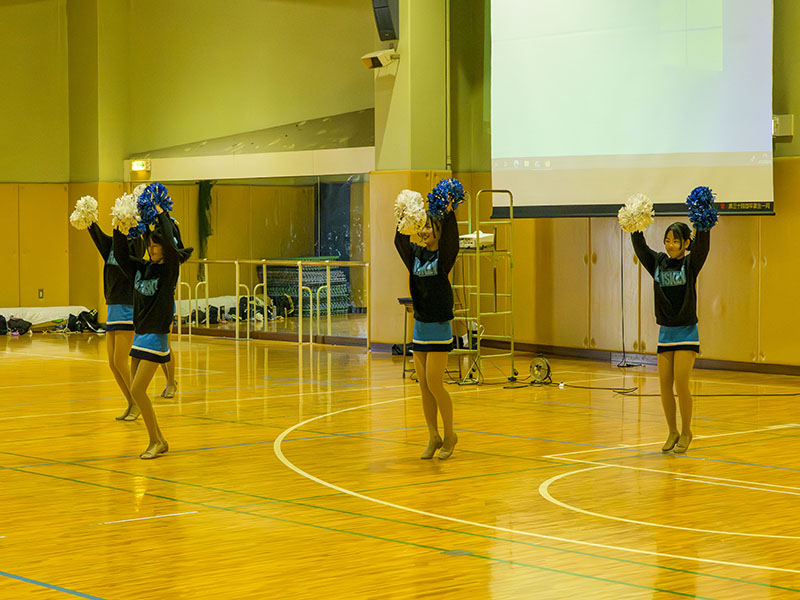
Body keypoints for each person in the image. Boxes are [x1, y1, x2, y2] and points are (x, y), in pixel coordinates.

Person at [113, 206, 192, 459]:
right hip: (140, 335)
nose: (151, 249)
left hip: (156, 338)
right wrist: (119, 226)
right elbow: (120, 256)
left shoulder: (168, 272)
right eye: (149, 245)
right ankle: (160, 440)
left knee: (137, 391)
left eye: (156, 246)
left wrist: (161, 215)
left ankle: (155, 441)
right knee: (137, 391)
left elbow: (169, 242)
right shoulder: (141, 269)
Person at [631, 222, 710, 453]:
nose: (670, 245)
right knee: (665, 386)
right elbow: (641, 248)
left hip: (686, 332)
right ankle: (672, 431)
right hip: (665, 333)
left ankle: (686, 432)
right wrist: (635, 225)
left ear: (685, 243)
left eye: (676, 241)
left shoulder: (690, 264)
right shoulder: (658, 262)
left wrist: (703, 225)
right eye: (667, 240)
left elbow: (703, 247)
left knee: (681, 384)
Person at [395, 210, 460, 460]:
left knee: (435, 384)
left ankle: (450, 435)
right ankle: (433, 436)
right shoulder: (415, 254)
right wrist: (404, 218)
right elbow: (399, 241)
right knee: (423, 385)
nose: (424, 232)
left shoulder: (443, 257)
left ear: (439, 231)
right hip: (420, 326)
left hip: (439, 325)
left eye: (429, 227)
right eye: (421, 227)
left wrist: (449, 212)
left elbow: (452, 240)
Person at [87, 222, 145, 421]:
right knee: (113, 363)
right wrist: (88, 219)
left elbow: (137, 251)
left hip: (127, 306)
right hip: (112, 306)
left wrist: (131, 227)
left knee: (121, 360)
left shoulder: (135, 243)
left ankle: (138, 402)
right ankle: (131, 402)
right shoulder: (112, 244)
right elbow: (98, 237)